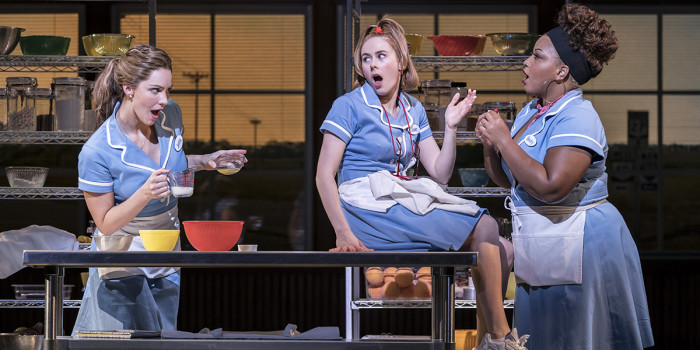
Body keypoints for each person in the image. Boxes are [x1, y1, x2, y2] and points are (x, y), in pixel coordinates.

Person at [316, 16, 527, 349]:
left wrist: (452, 127)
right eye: (366, 58)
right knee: (485, 225)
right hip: (364, 207)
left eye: (381, 56)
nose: (373, 64)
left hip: (398, 198)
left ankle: (489, 339)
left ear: (401, 62)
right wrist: (343, 232)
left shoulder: (412, 109)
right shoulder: (348, 106)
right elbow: (323, 175)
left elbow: (440, 174)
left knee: (505, 249)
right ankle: (500, 337)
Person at [476, 4, 654, 349]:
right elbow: (512, 180)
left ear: (561, 72)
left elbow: (550, 186)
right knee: (542, 337)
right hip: (546, 245)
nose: (525, 63)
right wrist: (489, 146)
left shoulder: (578, 117)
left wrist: (503, 139)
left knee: (573, 337)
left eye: (536, 56)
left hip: (582, 247)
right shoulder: (532, 111)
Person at [72, 45, 246, 333]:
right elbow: (105, 222)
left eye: (168, 90)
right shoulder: (97, 151)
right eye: (155, 90)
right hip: (122, 256)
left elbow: (173, 166)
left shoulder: (170, 115)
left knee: (163, 338)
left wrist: (205, 161)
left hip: (166, 251)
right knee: (126, 340)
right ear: (128, 89)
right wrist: (144, 194)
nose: (164, 100)